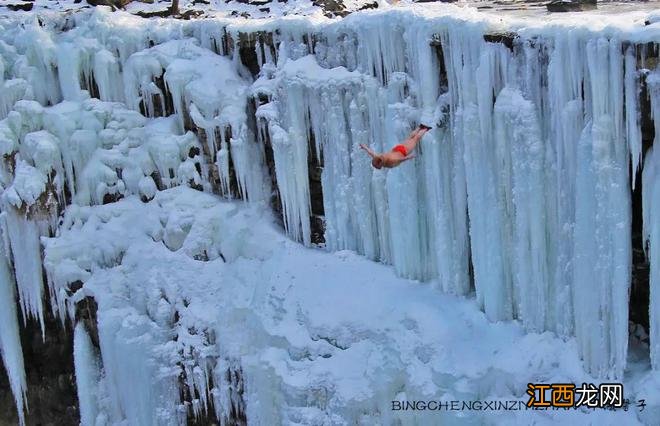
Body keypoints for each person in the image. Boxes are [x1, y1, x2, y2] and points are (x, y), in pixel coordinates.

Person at [359, 125, 431, 169]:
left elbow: (400, 159)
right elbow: (371, 153)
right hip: (397, 148)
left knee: (415, 139)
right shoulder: (378, 157)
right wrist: (365, 147)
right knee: (410, 138)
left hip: (404, 151)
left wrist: (408, 157)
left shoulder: (390, 161)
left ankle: (425, 129)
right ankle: (419, 127)